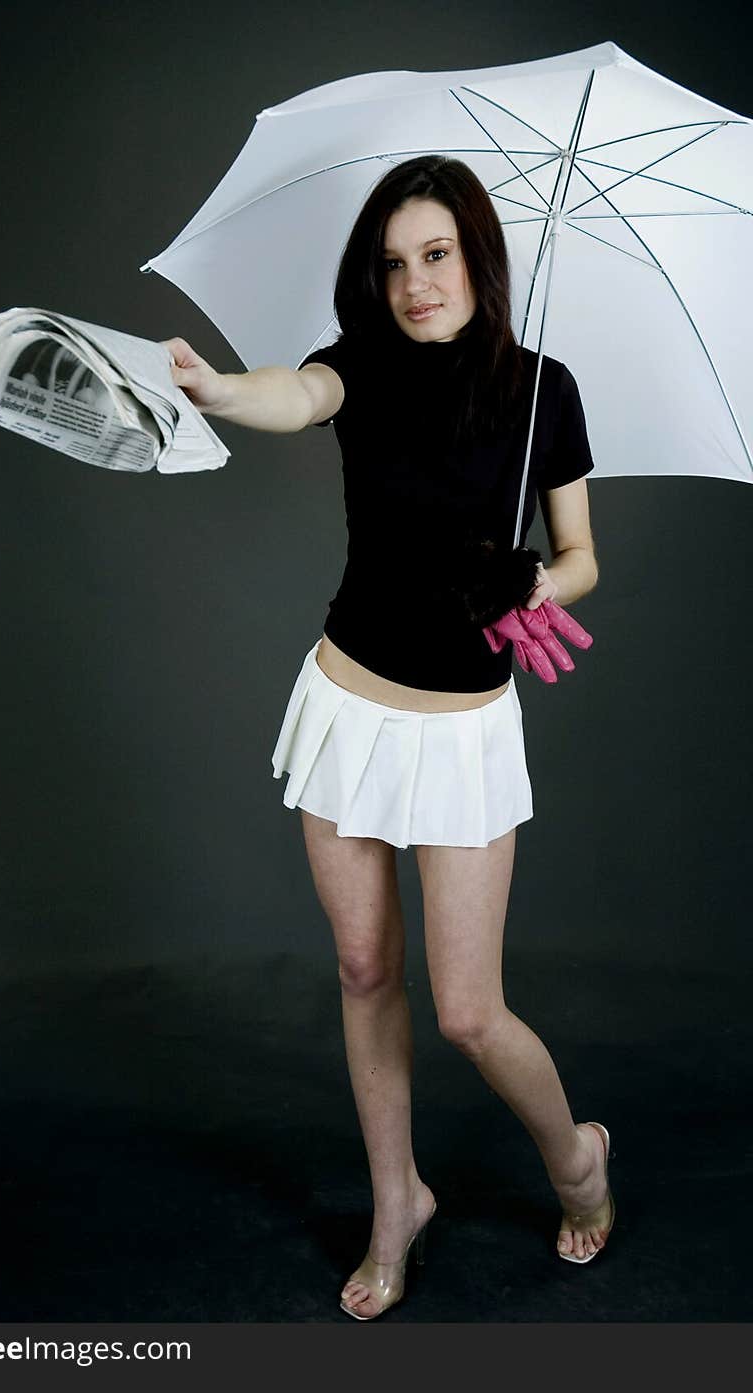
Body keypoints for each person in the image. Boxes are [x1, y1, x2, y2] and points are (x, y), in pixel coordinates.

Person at [160, 155, 613, 1321]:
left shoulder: (543, 390)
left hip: (462, 732)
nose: (415, 284)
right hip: (348, 703)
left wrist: (531, 582)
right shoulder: (355, 365)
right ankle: (394, 1199)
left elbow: (582, 558)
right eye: (394, 262)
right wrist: (216, 390)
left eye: (436, 255)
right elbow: (290, 396)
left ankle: (575, 1157)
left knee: (467, 1009)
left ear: (477, 257)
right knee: (364, 968)